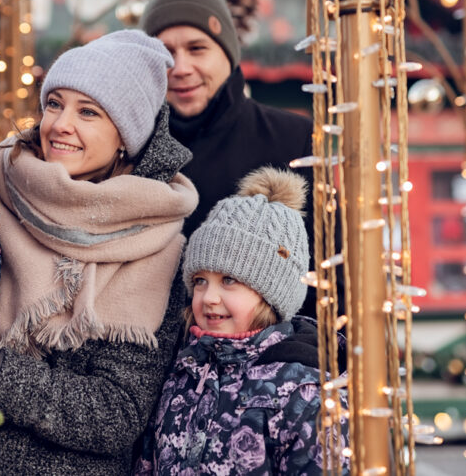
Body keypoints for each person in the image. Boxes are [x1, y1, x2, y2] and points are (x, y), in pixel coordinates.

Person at [0, 29, 199, 474]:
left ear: (126, 137)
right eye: (54, 103)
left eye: (88, 112)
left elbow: (115, 413)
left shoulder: (157, 247)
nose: (59, 125)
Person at [141, 0, 337, 318]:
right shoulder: (130, 146)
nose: (182, 68)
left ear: (228, 54)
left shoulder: (292, 139)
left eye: (197, 48)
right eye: (166, 53)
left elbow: (331, 268)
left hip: (271, 362)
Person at [134, 167, 349, 475]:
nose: (209, 297)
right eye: (199, 281)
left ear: (269, 292)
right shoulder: (183, 374)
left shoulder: (304, 393)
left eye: (229, 280)